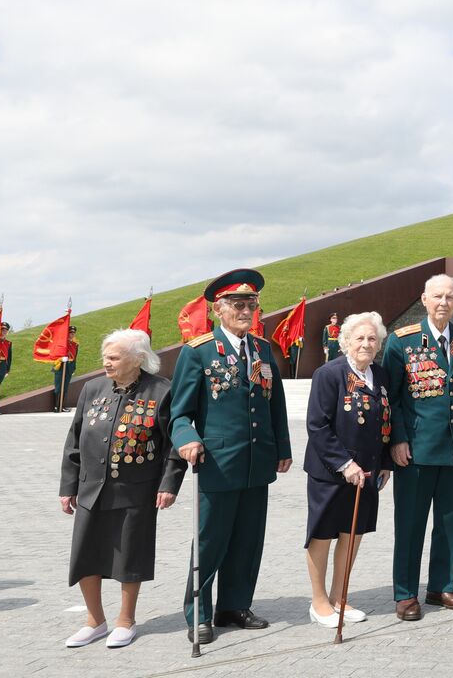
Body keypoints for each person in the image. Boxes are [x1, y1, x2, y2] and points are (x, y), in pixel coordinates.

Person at [171, 268, 293, 645]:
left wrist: (283, 448)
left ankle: (234, 606)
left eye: (250, 305)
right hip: (218, 464)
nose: (245, 311)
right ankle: (199, 613)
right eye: (237, 305)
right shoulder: (198, 352)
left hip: (258, 461)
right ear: (218, 310)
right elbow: (179, 413)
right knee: (210, 542)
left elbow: (275, 404)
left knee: (247, 541)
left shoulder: (262, 349)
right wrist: (187, 439)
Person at [59, 329, 184, 648]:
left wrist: (169, 484)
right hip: (91, 488)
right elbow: (74, 440)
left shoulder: (162, 391)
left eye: (114, 357)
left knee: (130, 555)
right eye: (105, 356)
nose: (107, 362)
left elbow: (173, 444)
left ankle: (125, 621)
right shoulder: (92, 388)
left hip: (136, 490)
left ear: (138, 359)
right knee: (85, 553)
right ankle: (94, 621)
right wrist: (68, 486)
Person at [384, 275, 453, 622]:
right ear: (424, 299)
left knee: (449, 523)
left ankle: (441, 586)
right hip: (416, 451)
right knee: (410, 525)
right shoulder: (403, 341)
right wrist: (397, 439)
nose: (443, 302)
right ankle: (405, 593)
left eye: (449, 297)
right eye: (437, 296)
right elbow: (392, 397)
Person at [304, 311, 393, 628]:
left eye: (372, 339)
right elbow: (317, 425)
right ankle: (319, 602)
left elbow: (386, 421)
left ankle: (340, 597)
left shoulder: (380, 375)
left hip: (368, 471)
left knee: (352, 534)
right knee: (323, 535)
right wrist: (345, 464)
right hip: (331, 472)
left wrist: (385, 463)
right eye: (360, 338)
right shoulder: (329, 374)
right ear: (345, 341)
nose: (366, 344)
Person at [54, 325, 80, 413]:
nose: (72, 334)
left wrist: (73, 368)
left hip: (69, 366)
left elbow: (75, 357)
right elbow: (56, 353)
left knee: (65, 387)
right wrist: (61, 359)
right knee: (59, 386)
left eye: (73, 333)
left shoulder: (75, 344)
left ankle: (62, 406)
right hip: (60, 366)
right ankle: (56, 406)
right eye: (70, 333)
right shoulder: (62, 343)